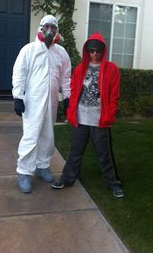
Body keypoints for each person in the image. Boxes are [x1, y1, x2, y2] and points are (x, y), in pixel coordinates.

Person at [52, 32, 124, 198]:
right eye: (91, 51)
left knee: (104, 154)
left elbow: (114, 95)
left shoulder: (111, 69)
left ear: (102, 51)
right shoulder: (80, 69)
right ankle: (67, 179)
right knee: (75, 152)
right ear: (87, 51)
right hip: (81, 119)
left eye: (98, 51)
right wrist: (70, 111)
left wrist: (110, 114)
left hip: (100, 120)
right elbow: (75, 90)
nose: (94, 54)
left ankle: (113, 183)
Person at [12, 15, 71, 193]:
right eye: (47, 26)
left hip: (51, 101)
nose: (50, 30)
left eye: (53, 27)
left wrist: (67, 97)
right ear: (40, 27)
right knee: (31, 135)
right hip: (32, 101)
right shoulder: (29, 50)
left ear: (57, 30)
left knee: (48, 134)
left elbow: (66, 77)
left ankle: (42, 166)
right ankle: (23, 172)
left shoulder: (61, 52)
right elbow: (19, 73)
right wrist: (18, 96)